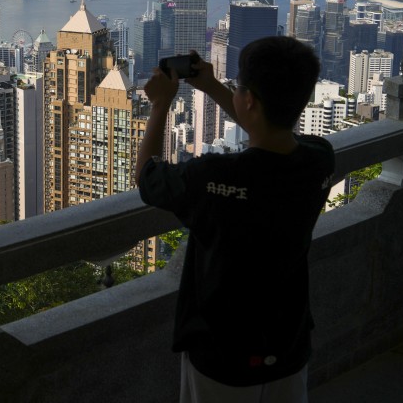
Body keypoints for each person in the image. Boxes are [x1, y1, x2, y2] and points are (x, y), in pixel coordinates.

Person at [135, 36, 334, 403]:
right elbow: (268, 129)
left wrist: (161, 105)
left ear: (248, 101)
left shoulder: (213, 176)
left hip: (221, 348)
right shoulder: (319, 160)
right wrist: (212, 85)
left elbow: (147, 178)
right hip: (287, 342)